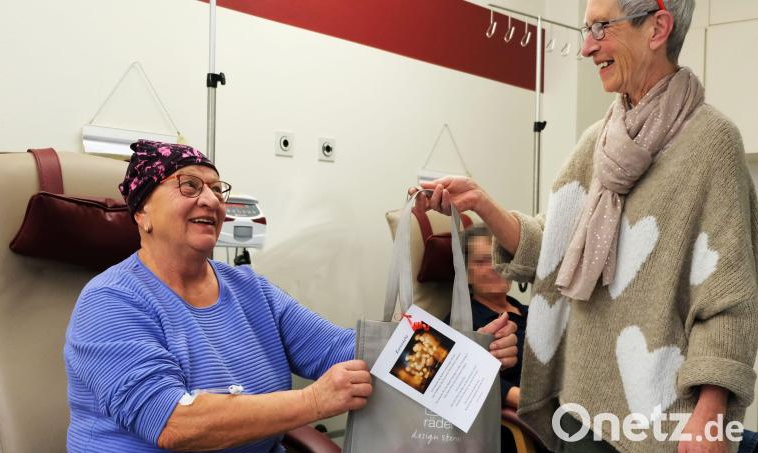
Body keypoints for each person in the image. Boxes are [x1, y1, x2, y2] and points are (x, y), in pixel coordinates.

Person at [415, 0, 758, 452]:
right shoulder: (597, 142)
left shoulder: (712, 144)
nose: (586, 47)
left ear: (657, 28)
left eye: (600, 28)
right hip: (578, 405)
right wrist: (482, 204)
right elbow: (549, 246)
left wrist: (709, 414)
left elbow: (729, 300)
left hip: (662, 422)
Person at [64, 140, 519, 452]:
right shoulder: (111, 302)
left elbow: (350, 351)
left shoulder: (249, 290)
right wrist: (313, 403)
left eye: (216, 188)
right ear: (142, 210)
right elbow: (173, 424)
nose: (211, 200)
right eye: (189, 186)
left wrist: (468, 357)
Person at [445, 226, 527, 410]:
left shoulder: (533, 312)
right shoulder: (460, 322)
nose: (495, 267)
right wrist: (514, 396)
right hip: (521, 423)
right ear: (465, 274)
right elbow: (453, 378)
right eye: (482, 261)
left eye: (500, 259)